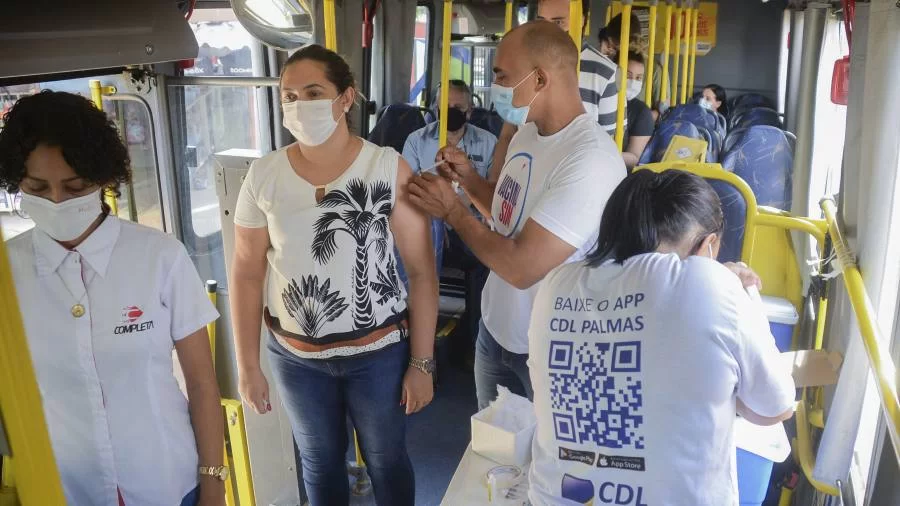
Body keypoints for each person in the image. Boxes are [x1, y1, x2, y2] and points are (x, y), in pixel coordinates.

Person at [229, 45, 438, 506]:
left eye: (313, 92)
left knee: (386, 459)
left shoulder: (385, 168)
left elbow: (422, 272)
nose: (298, 105)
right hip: (296, 359)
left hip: (378, 353)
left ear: (346, 98)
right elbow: (246, 273)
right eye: (289, 96)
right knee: (319, 462)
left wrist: (422, 363)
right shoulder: (264, 177)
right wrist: (247, 367)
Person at [0, 91, 225, 505]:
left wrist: (214, 481)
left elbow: (201, 382)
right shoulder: (6, 273)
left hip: (167, 481)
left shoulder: (160, 256)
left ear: (103, 179)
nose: (56, 201)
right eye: (37, 187)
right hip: (63, 490)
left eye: (74, 186)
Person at [527, 169, 796, 506]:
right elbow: (774, 408)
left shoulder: (556, 284)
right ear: (708, 245)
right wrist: (743, 294)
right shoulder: (714, 285)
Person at [408, 21, 626, 409]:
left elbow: (522, 266)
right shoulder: (527, 134)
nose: (496, 88)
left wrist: (453, 211)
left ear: (539, 79)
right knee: (492, 456)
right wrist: (470, 180)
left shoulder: (590, 159)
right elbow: (507, 212)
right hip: (496, 331)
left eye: (501, 76)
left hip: (551, 350)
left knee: (545, 465)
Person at [402, 79, 497, 344]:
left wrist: (454, 208)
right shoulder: (417, 141)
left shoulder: (489, 142)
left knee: (483, 260)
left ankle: (474, 341)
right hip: (429, 225)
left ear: (469, 112)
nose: (452, 112)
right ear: (435, 108)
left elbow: (490, 191)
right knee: (415, 250)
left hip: (472, 224)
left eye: (459, 107)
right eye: (445, 106)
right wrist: (438, 218)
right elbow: (410, 188)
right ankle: (416, 337)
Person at [488, 0, 621, 177]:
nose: (546, 31)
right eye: (542, 21)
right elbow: (509, 133)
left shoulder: (603, 72)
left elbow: (606, 142)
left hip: (570, 175)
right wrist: (496, 182)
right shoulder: (525, 62)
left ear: (581, 20)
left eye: (558, 22)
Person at [622, 51, 656, 169]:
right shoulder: (600, 100)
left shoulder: (641, 112)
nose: (633, 82)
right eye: (628, 76)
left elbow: (634, 157)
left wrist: (602, 156)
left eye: (638, 78)